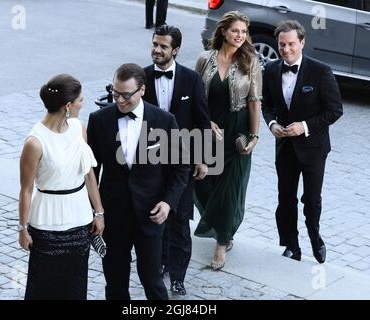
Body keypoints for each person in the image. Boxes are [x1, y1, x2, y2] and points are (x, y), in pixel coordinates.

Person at [87, 63, 190, 300]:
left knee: (152, 281)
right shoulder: (99, 120)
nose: (120, 100)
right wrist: (96, 212)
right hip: (114, 217)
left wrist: (167, 203)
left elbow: (181, 168)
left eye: (126, 95)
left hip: (150, 216)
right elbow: (91, 171)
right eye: (115, 93)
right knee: (115, 283)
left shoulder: (164, 120)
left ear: (142, 90)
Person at [262, 20, 343, 263]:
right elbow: (267, 105)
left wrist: (304, 127)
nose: (286, 49)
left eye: (291, 44)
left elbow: (334, 110)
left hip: (314, 148)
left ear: (302, 43)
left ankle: (315, 237)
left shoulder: (320, 71)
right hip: (284, 146)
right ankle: (291, 245)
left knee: (311, 199)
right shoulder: (272, 69)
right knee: (285, 198)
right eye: (282, 44)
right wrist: (272, 124)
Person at [18, 74, 104, 300]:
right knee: (43, 286)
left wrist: (99, 212)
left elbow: (89, 175)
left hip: (79, 221)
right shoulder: (35, 142)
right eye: (80, 100)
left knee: (75, 287)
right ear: (68, 106)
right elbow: (25, 189)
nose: (82, 104)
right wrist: (23, 228)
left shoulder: (79, 128)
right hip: (46, 224)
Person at [144, 25, 211, 295]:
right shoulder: (142, 77)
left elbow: (202, 121)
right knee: (153, 215)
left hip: (181, 163)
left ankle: (178, 276)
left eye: (163, 46)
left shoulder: (191, 79)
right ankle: (158, 263)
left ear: (176, 50)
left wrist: (204, 159)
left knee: (180, 219)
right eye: (155, 44)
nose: (157, 50)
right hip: (148, 163)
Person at [194, 11, 262, 271]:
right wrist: (205, 123)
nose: (240, 36)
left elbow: (255, 101)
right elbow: (195, 96)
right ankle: (223, 227)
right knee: (203, 185)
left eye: (244, 32)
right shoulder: (205, 59)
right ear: (223, 31)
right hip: (208, 129)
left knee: (229, 190)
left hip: (237, 132)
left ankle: (221, 243)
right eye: (235, 30)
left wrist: (254, 136)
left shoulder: (250, 61)